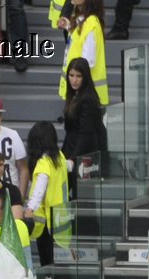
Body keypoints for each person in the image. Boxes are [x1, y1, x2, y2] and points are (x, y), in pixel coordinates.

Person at [24, 120, 68, 267]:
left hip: (46, 222)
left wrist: (29, 210)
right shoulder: (60, 157)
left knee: (47, 261)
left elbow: (38, 192)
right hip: (62, 217)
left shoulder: (44, 163)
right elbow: (70, 166)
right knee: (60, 260)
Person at [60, 58, 107, 194]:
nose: (74, 80)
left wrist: (73, 158)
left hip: (83, 154)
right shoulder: (74, 95)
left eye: (78, 76)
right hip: (72, 148)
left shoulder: (87, 99)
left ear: (85, 77)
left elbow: (85, 133)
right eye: (71, 75)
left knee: (80, 194)